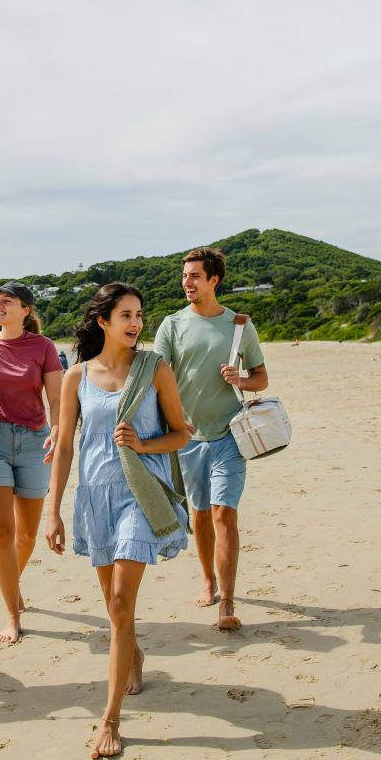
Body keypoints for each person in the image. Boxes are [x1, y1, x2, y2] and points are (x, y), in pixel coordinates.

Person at [44, 283, 190, 759]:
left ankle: (108, 720)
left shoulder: (155, 369)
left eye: (139, 314)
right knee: (113, 605)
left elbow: (181, 435)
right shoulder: (76, 377)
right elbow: (65, 446)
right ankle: (133, 653)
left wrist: (145, 445)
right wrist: (52, 510)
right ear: (102, 321)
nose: (135, 323)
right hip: (94, 497)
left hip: (139, 496)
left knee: (123, 601)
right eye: (125, 314)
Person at [153, 247, 268, 631]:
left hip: (230, 436)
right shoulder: (171, 325)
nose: (187, 282)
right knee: (199, 516)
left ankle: (228, 604)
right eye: (185, 276)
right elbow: (159, 378)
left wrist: (241, 380)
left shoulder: (239, 325)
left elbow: (261, 378)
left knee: (224, 513)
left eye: (194, 276)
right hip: (187, 438)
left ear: (213, 280)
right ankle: (208, 580)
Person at [0, 281, 62, 643]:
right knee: (3, 532)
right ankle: (12, 614)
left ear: (25, 310)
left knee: (27, 534)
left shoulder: (43, 347)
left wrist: (58, 431)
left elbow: (56, 396)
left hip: (36, 441)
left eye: (7, 302)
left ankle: (13, 582)